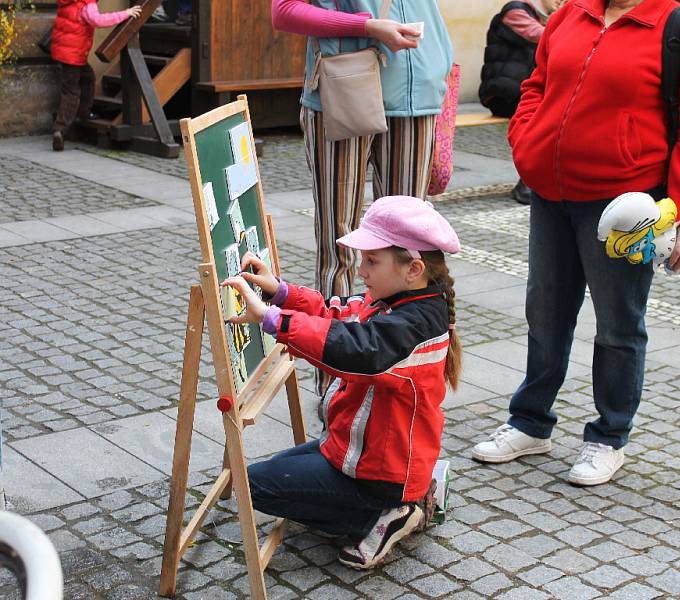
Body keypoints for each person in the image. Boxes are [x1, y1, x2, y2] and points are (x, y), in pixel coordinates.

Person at [472, 0, 680, 486]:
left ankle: (609, 436)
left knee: (618, 324)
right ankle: (530, 421)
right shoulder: (571, 15)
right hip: (551, 194)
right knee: (545, 311)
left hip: (625, 205)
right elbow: (536, 85)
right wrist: (527, 143)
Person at [223, 196, 462, 569]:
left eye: (371, 261)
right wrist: (281, 293)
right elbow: (339, 313)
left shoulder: (415, 325)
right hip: (355, 451)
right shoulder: (395, 298)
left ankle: (388, 514)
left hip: (379, 473)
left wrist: (276, 322)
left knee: (252, 485)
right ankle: (408, 493)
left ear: (413, 268)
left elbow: (356, 350)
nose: (361, 270)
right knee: (259, 476)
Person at [271, 0, 453, 399]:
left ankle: (406, 376)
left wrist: (443, 59)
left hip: (419, 89)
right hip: (345, 84)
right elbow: (283, 11)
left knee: (409, 251)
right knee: (342, 245)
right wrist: (367, 26)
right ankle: (334, 385)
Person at [478, 0, 565, 205]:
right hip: (500, 93)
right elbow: (544, 36)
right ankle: (527, 180)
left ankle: (534, 179)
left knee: (555, 111)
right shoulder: (515, 11)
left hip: (520, 91)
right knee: (545, 117)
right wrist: (566, 19)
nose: (562, 2)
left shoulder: (541, 18)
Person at [50, 0, 142, 151]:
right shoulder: (87, 3)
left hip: (64, 53)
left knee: (88, 78)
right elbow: (98, 20)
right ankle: (60, 130)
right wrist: (126, 13)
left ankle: (84, 113)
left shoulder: (69, 2)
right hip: (74, 55)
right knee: (71, 92)